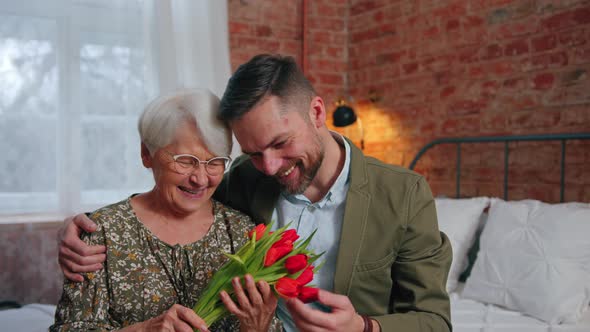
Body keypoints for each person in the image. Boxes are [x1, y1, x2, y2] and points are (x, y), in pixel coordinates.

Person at [58, 55, 453, 332]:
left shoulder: (403, 194)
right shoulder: (244, 181)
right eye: (251, 152)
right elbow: (178, 197)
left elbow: (434, 321)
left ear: (317, 113)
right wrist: (79, 228)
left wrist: (366, 327)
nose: (270, 166)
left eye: (281, 143)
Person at [51, 89, 280, 332]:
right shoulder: (103, 231)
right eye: (185, 160)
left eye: (215, 162)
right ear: (146, 154)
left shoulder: (243, 232)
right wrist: (145, 330)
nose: (201, 179)